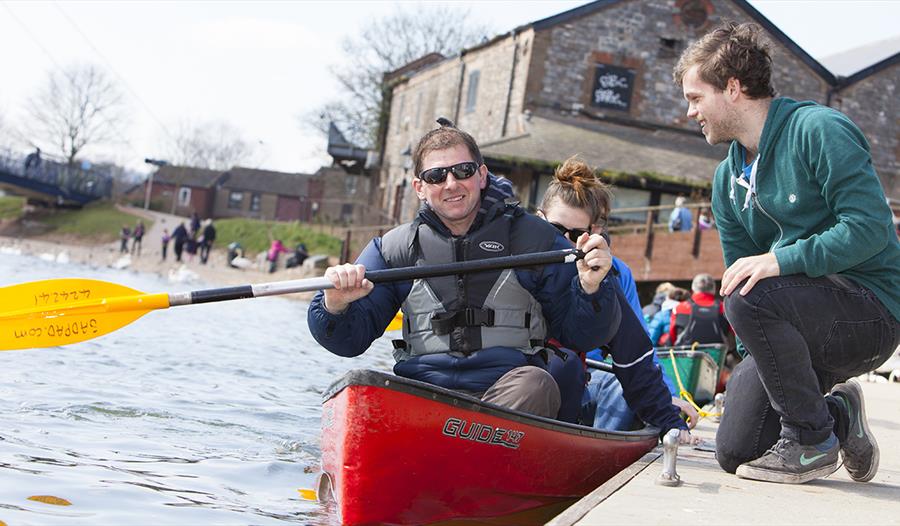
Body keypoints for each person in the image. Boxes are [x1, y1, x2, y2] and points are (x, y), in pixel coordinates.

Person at [675, 21, 900, 484]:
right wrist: (756, 362)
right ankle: (836, 415)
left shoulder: (818, 129)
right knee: (737, 449)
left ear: (733, 88)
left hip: (871, 315)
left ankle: (811, 439)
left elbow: (870, 229)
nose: (689, 110)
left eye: (696, 97)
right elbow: (741, 275)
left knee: (747, 291)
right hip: (792, 323)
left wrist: (780, 260)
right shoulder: (726, 180)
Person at [307, 120, 621, 419]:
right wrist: (334, 304)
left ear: (482, 175)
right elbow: (348, 342)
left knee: (537, 384)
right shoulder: (393, 249)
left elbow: (583, 335)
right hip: (422, 392)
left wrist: (592, 289)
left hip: (506, 393)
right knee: (360, 383)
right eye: (436, 176)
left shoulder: (536, 240)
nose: (451, 184)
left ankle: (464, 456)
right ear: (419, 186)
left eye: (463, 171)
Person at [536, 156, 695, 441]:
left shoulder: (615, 273)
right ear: (539, 219)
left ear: (594, 231)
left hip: (588, 375)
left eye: (576, 235)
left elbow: (637, 348)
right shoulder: (517, 256)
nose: (564, 242)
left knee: (607, 384)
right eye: (556, 230)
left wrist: (668, 401)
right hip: (522, 375)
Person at [669, 273, 731, 347]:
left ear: (693, 288)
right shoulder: (724, 307)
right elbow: (735, 334)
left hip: (687, 355)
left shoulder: (679, 308)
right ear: (714, 289)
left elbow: (672, 335)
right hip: (716, 355)